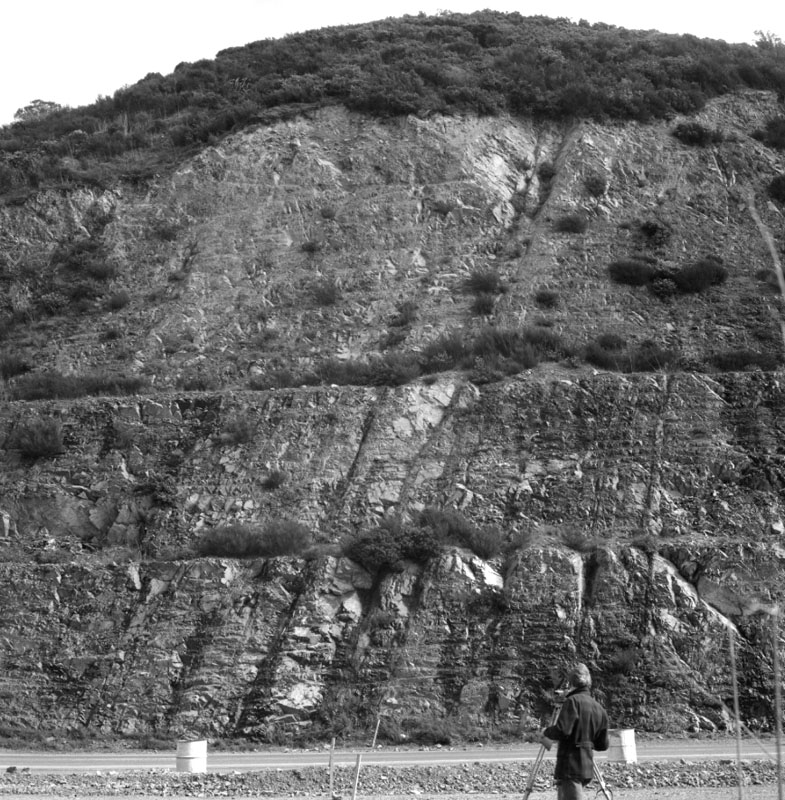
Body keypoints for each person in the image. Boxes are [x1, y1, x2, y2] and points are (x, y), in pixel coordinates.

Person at [538, 663, 609, 800]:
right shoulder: (599, 708)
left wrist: (546, 732)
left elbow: (562, 731)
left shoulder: (572, 702)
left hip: (570, 765)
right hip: (587, 766)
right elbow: (602, 745)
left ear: (571, 683)